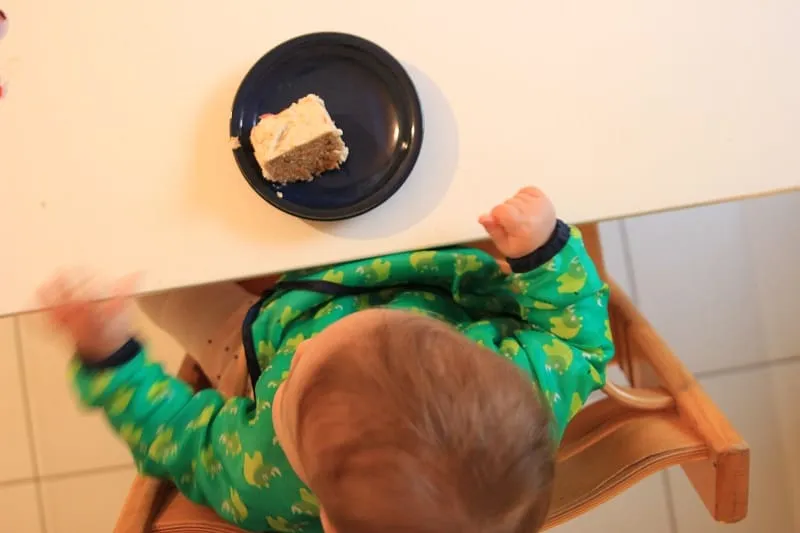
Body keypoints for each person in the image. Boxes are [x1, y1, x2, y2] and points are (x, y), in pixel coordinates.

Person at [38, 187, 613, 533]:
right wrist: (545, 253)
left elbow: (171, 436)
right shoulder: (526, 396)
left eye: (308, 369)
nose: (330, 333)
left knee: (141, 270)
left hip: (255, 337)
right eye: (390, 328)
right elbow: (579, 340)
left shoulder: (268, 483)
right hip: (418, 264)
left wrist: (109, 353)